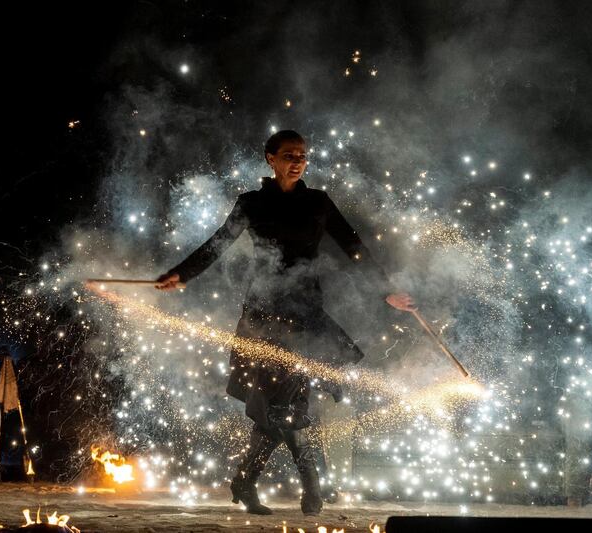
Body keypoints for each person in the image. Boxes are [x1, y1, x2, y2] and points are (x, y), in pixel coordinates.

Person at [156, 130, 415, 515]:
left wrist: (386, 291)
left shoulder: (318, 202)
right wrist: (182, 273)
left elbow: (354, 248)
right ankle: (307, 488)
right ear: (270, 159)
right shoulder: (251, 203)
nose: (297, 161)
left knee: (288, 404)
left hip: (307, 313)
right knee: (283, 405)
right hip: (263, 313)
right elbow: (216, 244)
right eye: (289, 154)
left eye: (303, 155)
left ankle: (252, 482)